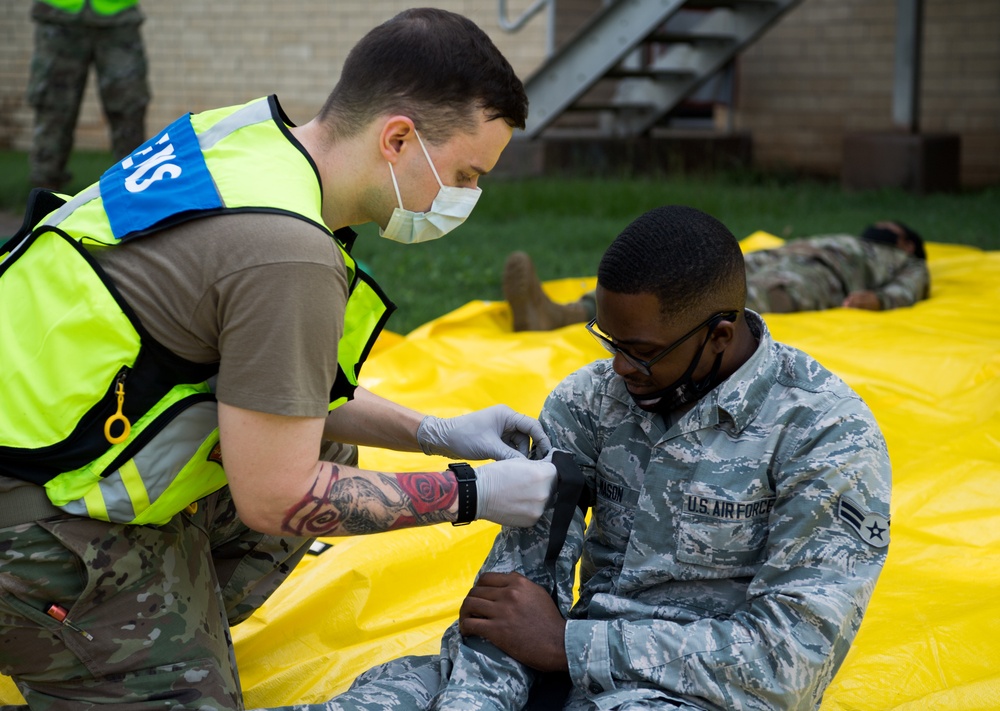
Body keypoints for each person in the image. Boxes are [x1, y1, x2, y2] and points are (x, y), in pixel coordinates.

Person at [0, 8, 558, 708]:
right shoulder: (289, 252)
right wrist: (472, 494)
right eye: (465, 174)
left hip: (40, 450)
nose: (465, 197)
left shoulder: (242, 139)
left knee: (322, 440)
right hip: (29, 532)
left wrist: (435, 430)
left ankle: (157, 617)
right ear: (397, 139)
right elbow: (277, 496)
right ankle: (108, 647)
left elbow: (283, 387)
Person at [314, 205, 891, 710]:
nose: (618, 367)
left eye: (640, 352)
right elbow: (513, 598)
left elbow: (787, 665)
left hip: (689, 695)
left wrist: (569, 645)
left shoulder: (824, 431)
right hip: (552, 669)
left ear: (718, 335)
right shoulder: (591, 400)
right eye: (609, 340)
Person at [503, 220, 929, 331]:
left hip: (816, 280)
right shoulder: (848, 239)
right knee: (690, 268)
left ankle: (564, 314)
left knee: (717, 300)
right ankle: (570, 309)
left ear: (906, 241)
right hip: (773, 258)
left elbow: (909, 286)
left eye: (891, 226)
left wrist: (880, 300)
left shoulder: (904, 260)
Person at [27, 0, 151, 191]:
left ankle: (135, 184)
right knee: (53, 104)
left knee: (129, 103)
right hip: (58, 13)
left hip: (118, 13)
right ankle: (44, 190)